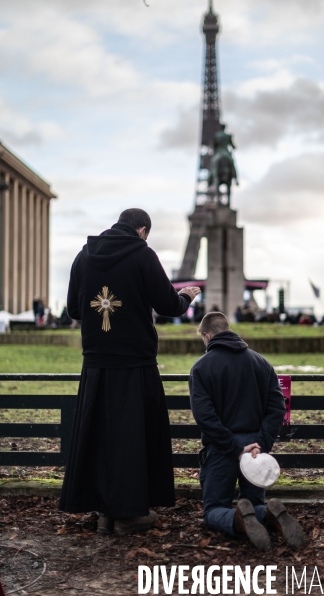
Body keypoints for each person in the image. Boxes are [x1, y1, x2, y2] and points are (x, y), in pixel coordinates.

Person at [59, 208, 200, 536]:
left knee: (100, 436)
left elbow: (74, 309)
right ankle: (129, 514)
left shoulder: (84, 256)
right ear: (142, 230)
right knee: (133, 438)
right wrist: (186, 297)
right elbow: (168, 305)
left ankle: (105, 511)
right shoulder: (142, 255)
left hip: (96, 364)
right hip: (135, 363)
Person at [189, 312, 305, 551]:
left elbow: (205, 416)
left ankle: (238, 519)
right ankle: (268, 515)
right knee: (253, 502)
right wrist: (260, 443)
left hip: (223, 449)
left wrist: (235, 449)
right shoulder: (261, 362)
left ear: (207, 336)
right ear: (229, 329)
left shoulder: (201, 367)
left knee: (213, 510)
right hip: (255, 449)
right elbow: (276, 407)